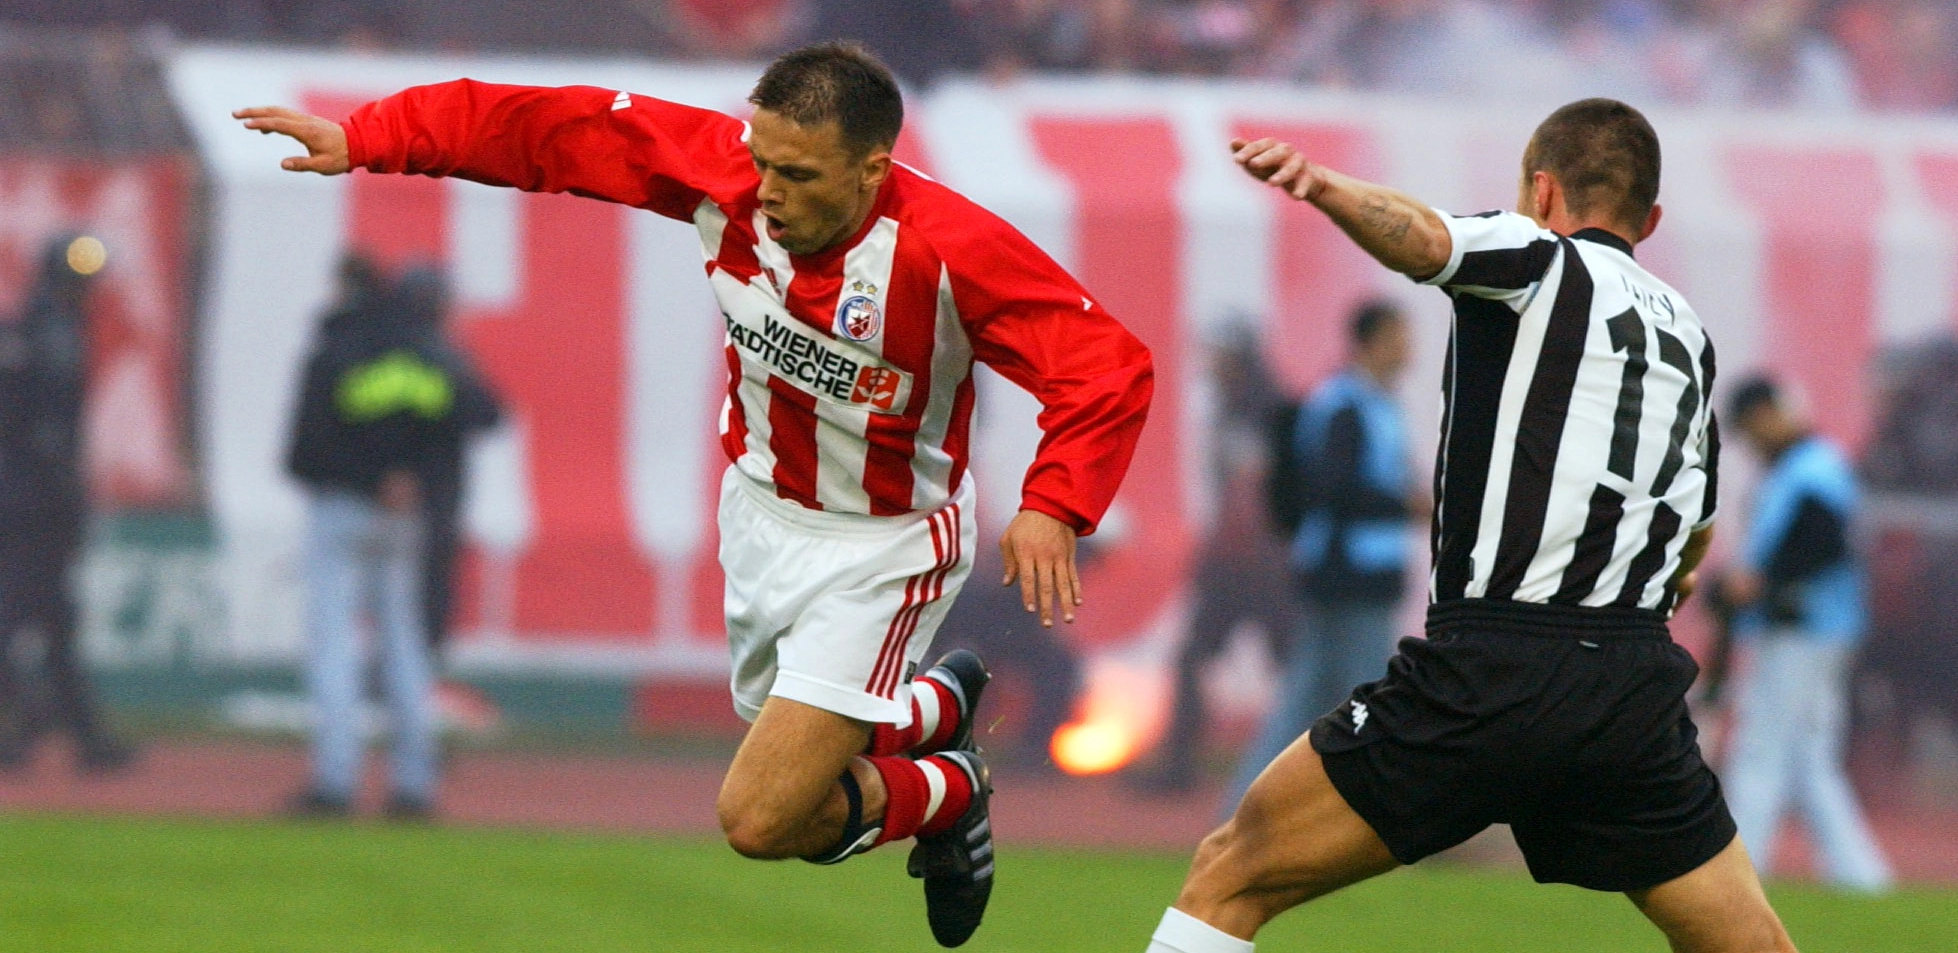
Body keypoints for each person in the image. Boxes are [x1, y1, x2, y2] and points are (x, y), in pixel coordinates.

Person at [237, 42, 1153, 948]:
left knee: (760, 816)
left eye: (798, 174)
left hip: (887, 545)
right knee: (807, 784)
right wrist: (371, 136)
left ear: (873, 170)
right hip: (759, 515)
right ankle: (935, 713)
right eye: (763, 162)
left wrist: (1052, 504)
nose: (769, 191)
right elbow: (550, 129)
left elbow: (1106, 365)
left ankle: (952, 790)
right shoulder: (726, 177)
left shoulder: (951, 249)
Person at [1146, 99, 1800, 953]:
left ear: (1542, 191)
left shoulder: (1541, 256)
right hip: (1631, 687)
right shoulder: (1689, 336)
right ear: (1652, 219)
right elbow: (1695, 533)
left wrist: (1322, 185)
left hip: (1494, 664)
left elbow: (1426, 238)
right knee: (1751, 945)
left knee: (1230, 876)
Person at [1219, 300, 1413, 813]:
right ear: (1372, 341)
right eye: (1398, 336)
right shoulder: (1348, 405)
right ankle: (1372, 812)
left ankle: (1246, 806)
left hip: (1349, 570)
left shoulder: (1364, 402)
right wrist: (1406, 505)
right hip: (1349, 571)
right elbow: (1333, 489)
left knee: (1310, 695)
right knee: (1367, 698)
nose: (1407, 348)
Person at [284, 253, 458, 821]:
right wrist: (409, 477)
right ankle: (415, 784)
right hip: (404, 516)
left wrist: (366, 478)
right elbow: (467, 419)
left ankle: (336, 781)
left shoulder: (334, 351)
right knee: (404, 648)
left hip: (341, 509)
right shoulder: (421, 354)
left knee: (335, 645)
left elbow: (303, 452)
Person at [1716, 376, 1893, 893]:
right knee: (1810, 757)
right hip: (1812, 629)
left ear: (1770, 413)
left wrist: (1762, 581)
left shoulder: (1811, 467)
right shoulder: (1805, 467)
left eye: (1751, 428)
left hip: (1803, 628)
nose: (1751, 441)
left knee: (1761, 748)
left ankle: (1740, 869)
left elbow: (1824, 541)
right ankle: (1861, 877)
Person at [1131, 321, 1299, 795]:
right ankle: (1180, 766)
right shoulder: (1235, 411)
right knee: (1198, 658)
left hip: (1262, 568)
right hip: (1240, 566)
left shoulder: (1266, 413)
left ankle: (1303, 772)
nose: (1212, 367)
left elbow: (1261, 499)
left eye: (1220, 356)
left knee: (1293, 670)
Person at [0, 234, 136, 774]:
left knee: (52, 621)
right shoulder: (40, 333)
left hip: (35, 502)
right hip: (30, 506)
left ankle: (68, 732)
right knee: (27, 619)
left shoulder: (40, 329)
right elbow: (35, 429)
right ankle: (39, 726)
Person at [388, 265, 504, 664]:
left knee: (395, 587)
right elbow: (487, 413)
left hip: (388, 490)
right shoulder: (444, 357)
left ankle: (402, 669)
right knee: (427, 584)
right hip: (435, 487)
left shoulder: (382, 351)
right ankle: (420, 669)